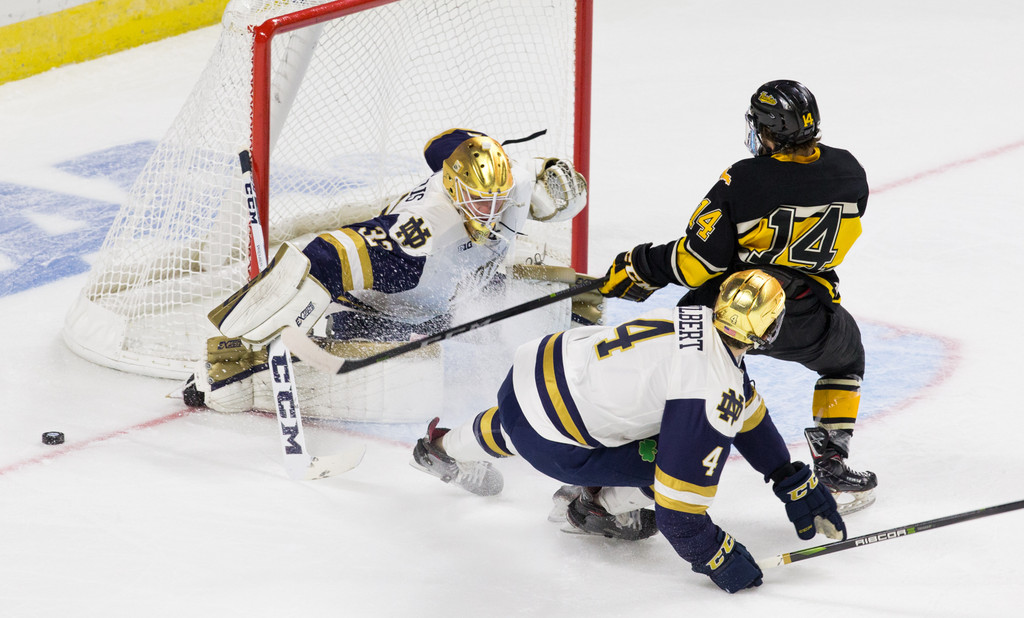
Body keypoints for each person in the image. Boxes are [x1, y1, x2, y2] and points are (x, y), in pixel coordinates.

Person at [411, 270, 846, 594]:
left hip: (532, 370)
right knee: (678, 463)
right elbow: (680, 515)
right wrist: (718, 555)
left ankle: (441, 448)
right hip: (552, 442)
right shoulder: (712, 387)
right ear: (769, 330)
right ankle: (599, 507)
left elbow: (744, 406)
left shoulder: (695, 317)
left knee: (528, 418)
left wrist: (790, 477)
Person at [596, 80, 876, 513]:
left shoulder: (745, 179)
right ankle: (833, 465)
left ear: (766, 130)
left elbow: (698, 263)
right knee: (845, 358)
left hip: (726, 313)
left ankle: (616, 495)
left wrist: (641, 265)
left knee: (685, 391)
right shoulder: (850, 170)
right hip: (804, 311)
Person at [185, 128, 591, 413]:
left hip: (463, 286)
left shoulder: (508, 182)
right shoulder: (423, 230)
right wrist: (289, 313)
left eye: (498, 199)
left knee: (581, 299)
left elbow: (441, 144)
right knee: (407, 366)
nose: (493, 211)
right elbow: (328, 253)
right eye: (481, 202)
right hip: (390, 308)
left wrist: (551, 179)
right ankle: (234, 360)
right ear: (454, 188)